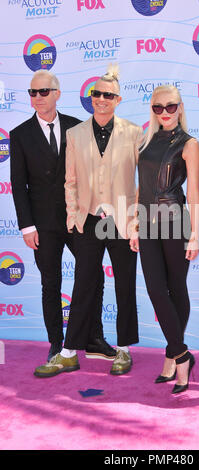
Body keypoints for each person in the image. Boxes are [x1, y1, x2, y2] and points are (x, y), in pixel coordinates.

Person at [34, 64, 143, 378]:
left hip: (122, 220)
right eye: (96, 94)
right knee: (83, 284)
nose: (101, 99)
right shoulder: (75, 133)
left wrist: (135, 219)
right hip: (89, 221)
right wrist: (73, 216)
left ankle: (124, 350)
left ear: (118, 100)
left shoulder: (134, 133)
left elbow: (144, 181)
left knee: (125, 285)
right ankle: (68, 352)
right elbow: (70, 181)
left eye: (108, 95)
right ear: (91, 97)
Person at [130, 85, 199, 394]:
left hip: (175, 223)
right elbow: (140, 187)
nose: (165, 113)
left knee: (175, 289)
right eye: (158, 108)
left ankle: (173, 356)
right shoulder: (145, 142)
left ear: (180, 108)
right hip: (146, 223)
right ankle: (181, 353)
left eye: (170, 107)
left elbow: (195, 193)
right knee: (156, 290)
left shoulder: (189, 143)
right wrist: (133, 223)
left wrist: (195, 235)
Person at [10, 70, 81, 362]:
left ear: (57, 93)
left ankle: (88, 336)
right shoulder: (20, 135)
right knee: (50, 284)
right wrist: (27, 226)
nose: (37, 97)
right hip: (42, 224)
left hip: (77, 220)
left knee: (90, 278)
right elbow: (18, 184)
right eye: (32, 92)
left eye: (43, 91)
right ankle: (56, 342)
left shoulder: (78, 128)